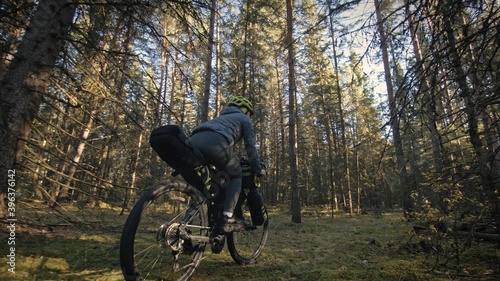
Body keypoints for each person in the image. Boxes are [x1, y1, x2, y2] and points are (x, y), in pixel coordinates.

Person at [189, 96, 265, 233]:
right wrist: (258, 169)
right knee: (236, 175)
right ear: (245, 110)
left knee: (203, 188)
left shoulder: (218, 119)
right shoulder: (244, 119)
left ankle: (185, 226)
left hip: (192, 142)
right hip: (215, 143)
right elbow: (251, 147)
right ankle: (227, 217)